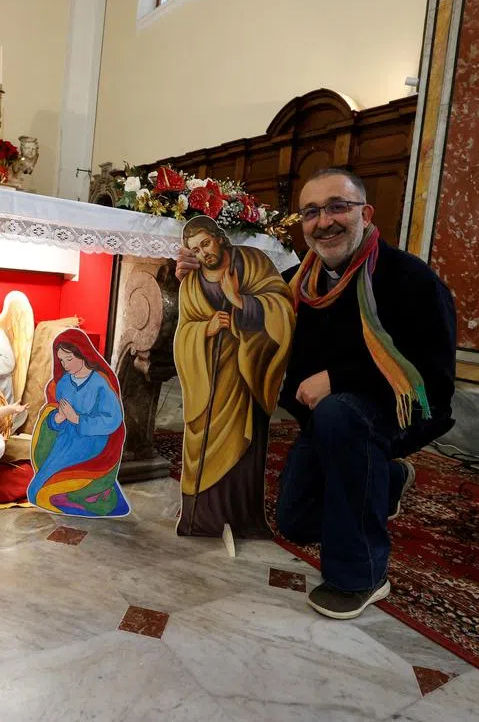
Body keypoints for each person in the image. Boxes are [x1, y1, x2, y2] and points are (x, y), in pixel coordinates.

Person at [176, 169, 456, 620]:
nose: (324, 222)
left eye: (337, 207)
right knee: (296, 522)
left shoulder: (411, 280)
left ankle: (361, 575)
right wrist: (200, 277)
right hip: (328, 420)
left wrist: (339, 378)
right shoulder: (296, 282)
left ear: (365, 213)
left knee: (340, 413)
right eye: (311, 212)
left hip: (389, 413)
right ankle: (386, 477)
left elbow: (435, 375)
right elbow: (244, 307)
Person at [173, 215, 294, 538]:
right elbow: (185, 330)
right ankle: (198, 518)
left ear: (220, 237)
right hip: (208, 379)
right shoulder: (192, 282)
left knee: (244, 447)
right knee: (201, 445)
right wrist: (205, 329)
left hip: (246, 374)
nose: (202, 254)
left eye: (206, 244)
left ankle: (242, 520)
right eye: (195, 250)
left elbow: (282, 307)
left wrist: (241, 301)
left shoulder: (253, 262)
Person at [28, 329, 128, 517]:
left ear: (82, 354)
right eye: (61, 360)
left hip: (93, 441)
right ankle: (71, 496)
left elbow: (112, 419)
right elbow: (56, 412)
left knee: (43, 492)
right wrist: (57, 419)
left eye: (69, 359)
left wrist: (78, 419)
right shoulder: (63, 383)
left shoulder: (100, 383)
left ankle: (83, 495)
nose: (65, 365)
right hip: (66, 440)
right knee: (35, 492)